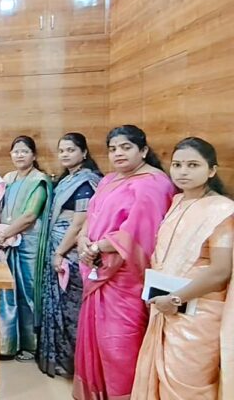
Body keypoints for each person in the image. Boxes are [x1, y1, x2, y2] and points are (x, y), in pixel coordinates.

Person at [73, 125, 175, 400]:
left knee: (120, 345)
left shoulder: (154, 184)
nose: (118, 153)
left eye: (126, 147)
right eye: (113, 149)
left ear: (143, 150)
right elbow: (91, 216)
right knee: (98, 338)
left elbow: (138, 233)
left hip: (126, 278)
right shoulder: (108, 180)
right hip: (97, 267)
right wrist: (83, 240)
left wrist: (97, 247)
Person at [132, 137, 234, 400]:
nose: (183, 171)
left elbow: (220, 271)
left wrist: (176, 299)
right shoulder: (177, 201)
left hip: (199, 311)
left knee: (188, 384)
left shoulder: (222, 210)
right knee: (161, 378)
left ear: (211, 170)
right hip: (165, 304)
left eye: (193, 165)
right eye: (177, 165)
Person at [37, 132, 101, 378]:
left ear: (84, 153)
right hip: (58, 247)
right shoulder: (67, 180)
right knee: (58, 306)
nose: (65, 154)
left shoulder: (86, 182)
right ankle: (61, 361)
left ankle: (76, 365)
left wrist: (59, 253)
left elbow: (78, 224)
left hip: (71, 254)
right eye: (62, 150)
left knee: (71, 308)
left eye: (71, 150)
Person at [0, 135, 52, 361]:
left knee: (28, 292)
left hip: (28, 244)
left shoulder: (39, 180)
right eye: (16, 151)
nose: (19, 155)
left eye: (24, 151)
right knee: (7, 292)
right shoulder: (8, 178)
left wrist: (5, 233)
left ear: (34, 155)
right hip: (6, 242)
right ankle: (8, 344)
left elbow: (30, 215)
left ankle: (31, 345)